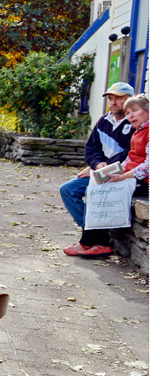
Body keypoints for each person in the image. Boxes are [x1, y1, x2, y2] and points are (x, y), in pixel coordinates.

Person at [70, 93, 150, 257]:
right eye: (127, 113)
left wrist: (123, 176)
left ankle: (90, 242)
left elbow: (148, 166)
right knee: (97, 183)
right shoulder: (138, 131)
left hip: (144, 181)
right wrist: (110, 170)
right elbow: (130, 158)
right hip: (131, 175)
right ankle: (95, 242)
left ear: (147, 110)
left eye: (134, 110)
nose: (130, 115)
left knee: (103, 190)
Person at [61, 82, 136, 256]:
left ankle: (90, 241)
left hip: (121, 172)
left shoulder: (133, 123)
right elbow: (91, 148)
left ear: (130, 100)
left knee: (92, 190)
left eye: (119, 98)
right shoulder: (104, 121)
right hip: (101, 171)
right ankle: (96, 235)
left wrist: (103, 166)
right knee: (68, 189)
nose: (113, 102)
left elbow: (129, 154)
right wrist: (96, 164)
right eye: (111, 98)